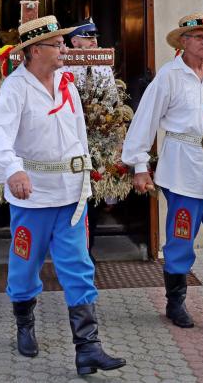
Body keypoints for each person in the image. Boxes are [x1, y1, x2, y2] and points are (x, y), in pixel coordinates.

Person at [0, 15, 126, 375]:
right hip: (32, 197)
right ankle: (24, 324)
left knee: (78, 267)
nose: (64, 50)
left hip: (70, 195)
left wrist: (88, 173)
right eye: (57, 45)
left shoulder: (66, 83)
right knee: (24, 268)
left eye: (63, 43)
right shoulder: (15, 89)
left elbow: (78, 134)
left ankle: (88, 347)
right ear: (35, 51)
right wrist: (12, 170)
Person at [121, 12, 203, 332]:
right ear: (183, 41)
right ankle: (175, 304)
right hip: (182, 172)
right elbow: (146, 119)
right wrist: (139, 165)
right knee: (180, 240)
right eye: (199, 36)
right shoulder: (170, 76)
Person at [66, 17, 119, 262]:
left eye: (94, 37)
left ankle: (88, 249)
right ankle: (72, 249)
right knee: (73, 195)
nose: (93, 41)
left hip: (98, 137)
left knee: (93, 194)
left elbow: (113, 100)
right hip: (72, 138)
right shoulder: (65, 66)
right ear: (74, 42)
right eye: (87, 37)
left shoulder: (102, 66)